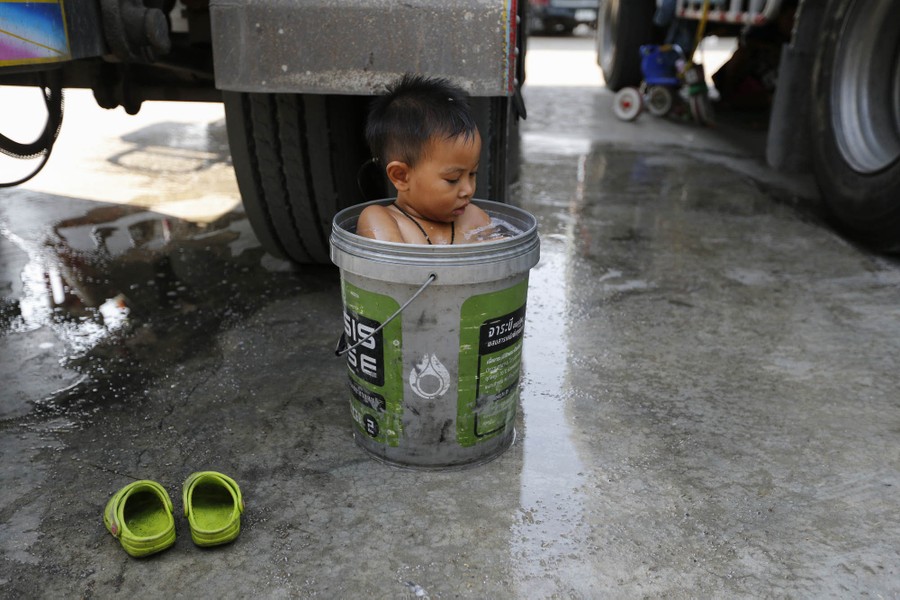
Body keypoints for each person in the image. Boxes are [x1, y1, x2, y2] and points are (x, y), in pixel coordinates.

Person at [356, 74, 494, 245]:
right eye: (453, 179)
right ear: (401, 176)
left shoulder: (474, 219)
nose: (469, 190)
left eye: (472, 174)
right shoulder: (382, 219)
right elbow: (392, 261)